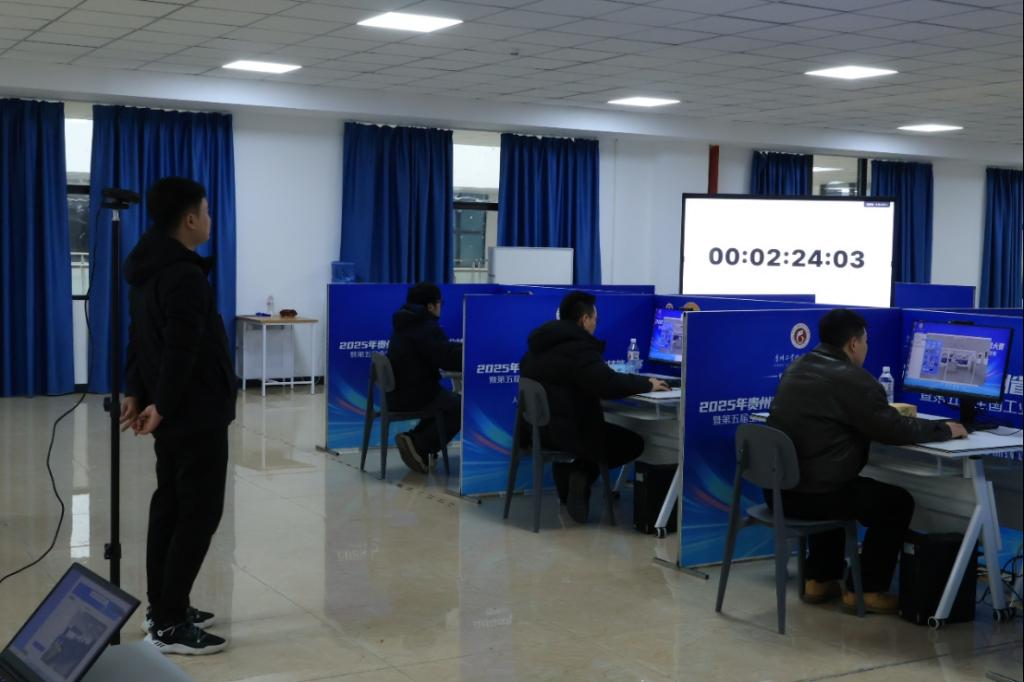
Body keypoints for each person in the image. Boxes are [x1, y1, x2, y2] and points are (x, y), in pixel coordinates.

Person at [767, 308, 967, 614]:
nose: (866, 347)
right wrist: (945, 429)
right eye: (865, 341)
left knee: (833, 481)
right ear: (853, 344)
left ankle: (819, 579)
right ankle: (868, 589)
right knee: (895, 503)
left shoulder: (797, 367)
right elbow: (893, 429)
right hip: (814, 497)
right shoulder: (854, 380)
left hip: (778, 492)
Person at [120, 177, 236, 655]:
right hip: (195, 414)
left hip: (173, 415)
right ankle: (169, 624)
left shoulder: (149, 268)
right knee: (197, 514)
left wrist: (137, 392)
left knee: (170, 506)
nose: (209, 219)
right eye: (206, 212)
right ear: (190, 219)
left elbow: (140, 338)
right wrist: (162, 405)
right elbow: (180, 350)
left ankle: (165, 606)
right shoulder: (184, 275)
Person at [519, 291, 670, 523]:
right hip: (568, 434)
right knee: (632, 443)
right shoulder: (579, 349)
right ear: (584, 320)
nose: (595, 325)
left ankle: (571, 475)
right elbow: (607, 384)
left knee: (600, 434)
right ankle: (581, 473)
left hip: (537, 432)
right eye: (594, 320)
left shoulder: (538, 345)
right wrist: (647, 384)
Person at [387, 282, 463, 473]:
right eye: (440, 303)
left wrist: (460, 348)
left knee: (448, 402)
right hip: (417, 394)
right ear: (430, 306)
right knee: (461, 407)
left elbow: (441, 349)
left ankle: (413, 439)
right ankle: (420, 446)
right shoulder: (425, 327)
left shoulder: (406, 322)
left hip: (398, 392)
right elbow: (447, 359)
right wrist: (472, 351)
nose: (440, 307)